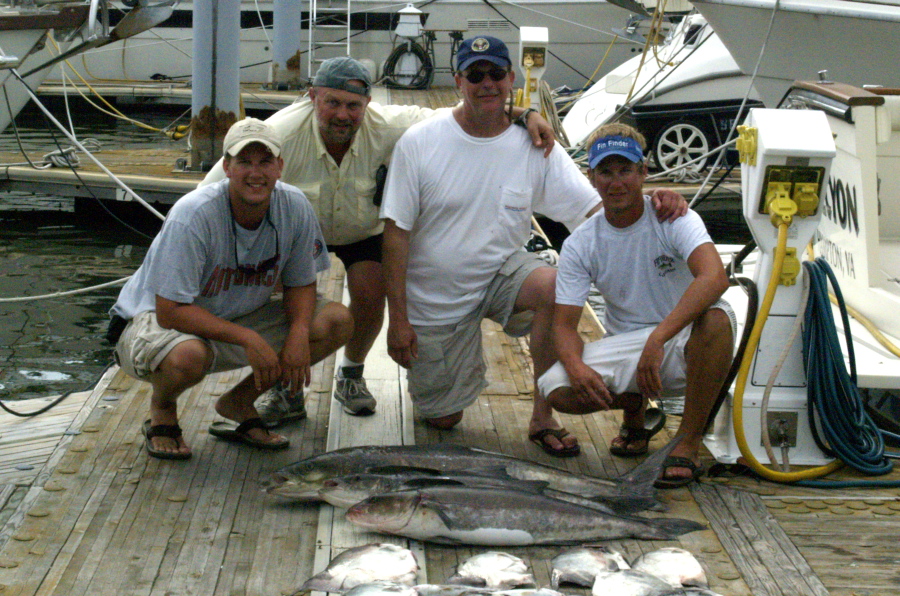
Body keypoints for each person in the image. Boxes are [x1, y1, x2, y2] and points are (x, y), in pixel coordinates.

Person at [200, 57, 555, 425]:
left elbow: (459, 113)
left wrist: (522, 113)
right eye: (332, 102)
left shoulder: (389, 126)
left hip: (360, 230)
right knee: (282, 305)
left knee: (371, 291)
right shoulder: (281, 133)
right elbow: (209, 191)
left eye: (353, 105)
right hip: (294, 234)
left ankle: (351, 373)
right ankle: (285, 388)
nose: (342, 114)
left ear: (367, 104)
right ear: (311, 97)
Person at [379, 36, 687, 457]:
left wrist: (654, 203)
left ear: (511, 78)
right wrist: (397, 319)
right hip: (437, 296)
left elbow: (594, 209)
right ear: (458, 81)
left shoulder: (536, 145)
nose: (486, 83)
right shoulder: (419, 142)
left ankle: (543, 417)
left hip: (503, 274)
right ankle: (448, 385)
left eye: (496, 74)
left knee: (555, 285)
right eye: (475, 74)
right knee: (443, 419)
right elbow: (395, 234)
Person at [109, 117, 352, 460]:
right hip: (151, 321)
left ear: (280, 166)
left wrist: (298, 332)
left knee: (336, 320)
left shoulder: (295, 206)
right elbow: (170, 310)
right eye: (244, 162)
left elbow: (301, 283)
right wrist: (248, 338)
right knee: (188, 356)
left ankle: (238, 402)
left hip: (235, 314)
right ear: (226, 167)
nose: (256, 172)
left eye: (265, 161)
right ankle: (162, 408)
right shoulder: (193, 214)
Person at [537, 123, 735, 486]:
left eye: (626, 170)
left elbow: (715, 278)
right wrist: (577, 368)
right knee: (557, 386)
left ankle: (687, 441)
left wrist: (658, 339)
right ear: (591, 177)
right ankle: (632, 407)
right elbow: (564, 325)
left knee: (719, 320)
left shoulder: (673, 217)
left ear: (644, 172)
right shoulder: (581, 242)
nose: (616, 183)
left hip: (681, 341)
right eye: (605, 172)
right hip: (631, 348)